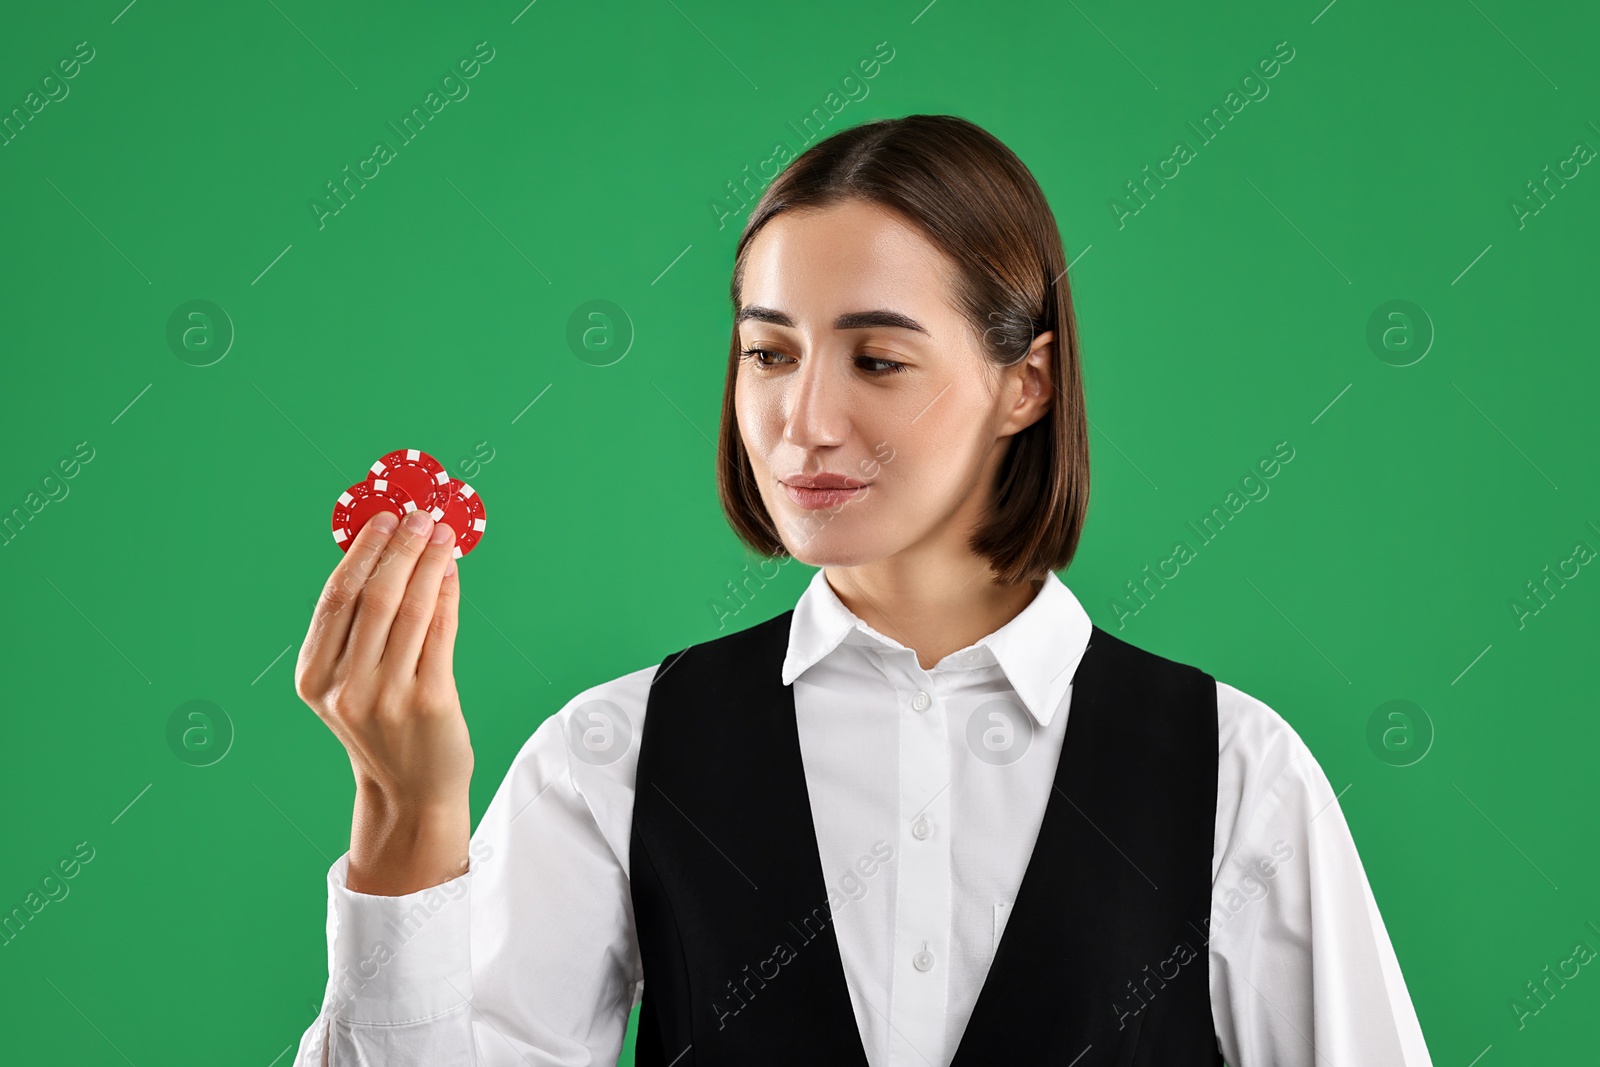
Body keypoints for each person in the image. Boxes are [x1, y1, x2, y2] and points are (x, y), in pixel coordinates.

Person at [289, 114, 1433, 1066]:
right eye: (769, 353)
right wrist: (409, 815)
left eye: (877, 360)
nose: (806, 423)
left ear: (1024, 382)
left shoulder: (1236, 768)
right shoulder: (616, 751)